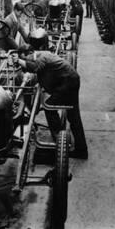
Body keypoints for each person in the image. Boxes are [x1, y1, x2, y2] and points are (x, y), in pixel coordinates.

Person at [12, 28, 88, 159]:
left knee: (48, 106)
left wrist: (19, 61)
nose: (27, 59)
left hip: (68, 83)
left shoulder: (41, 56)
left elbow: (34, 67)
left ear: (31, 52)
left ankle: (59, 138)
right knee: (73, 116)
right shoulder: (41, 55)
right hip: (70, 80)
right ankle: (80, 149)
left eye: (26, 57)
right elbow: (34, 68)